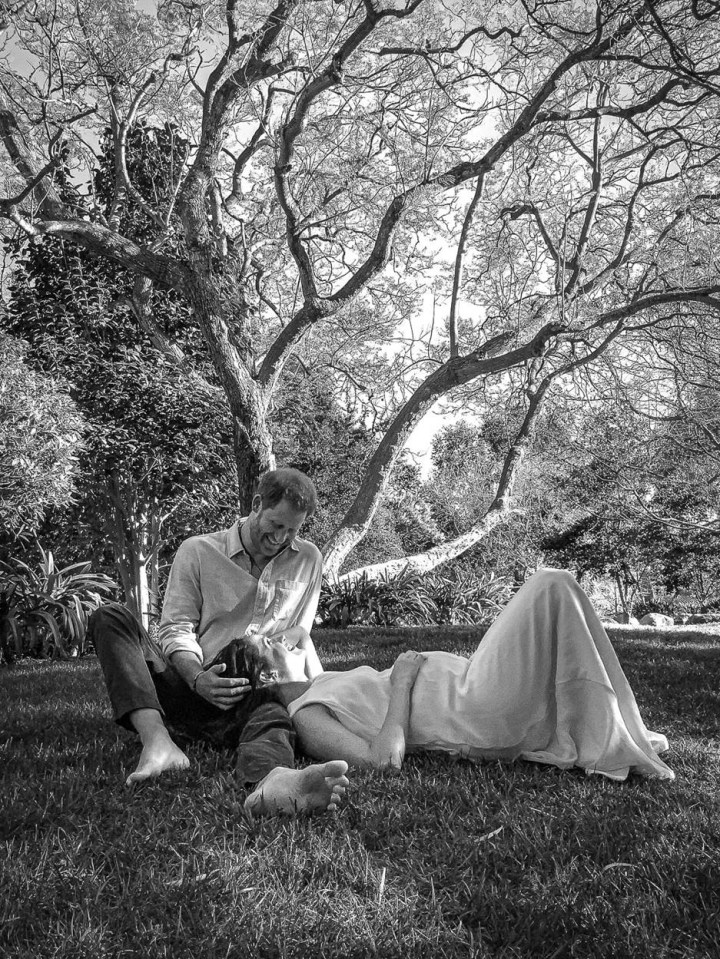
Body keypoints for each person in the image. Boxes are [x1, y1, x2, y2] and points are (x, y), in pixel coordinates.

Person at [225, 569, 675, 782]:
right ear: (264, 678)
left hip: (473, 681)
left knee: (556, 599)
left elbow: (301, 638)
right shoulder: (306, 717)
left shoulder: (317, 683)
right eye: (269, 645)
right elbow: (382, 761)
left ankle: (615, 728)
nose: (280, 640)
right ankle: (616, 735)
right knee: (551, 586)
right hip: (476, 707)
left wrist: (284, 641)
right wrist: (400, 682)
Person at [89, 467, 349, 816]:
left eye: (292, 530)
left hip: (256, 695)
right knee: (110, 617)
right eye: (275, 525)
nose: (281, 537)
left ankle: (272, 781)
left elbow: (297, 637)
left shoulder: (308, 559)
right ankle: (158, 741)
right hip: (191, 687)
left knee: (270, 711)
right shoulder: (197, 551)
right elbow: (176, 629)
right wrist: (197, 678)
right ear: (256, 504)